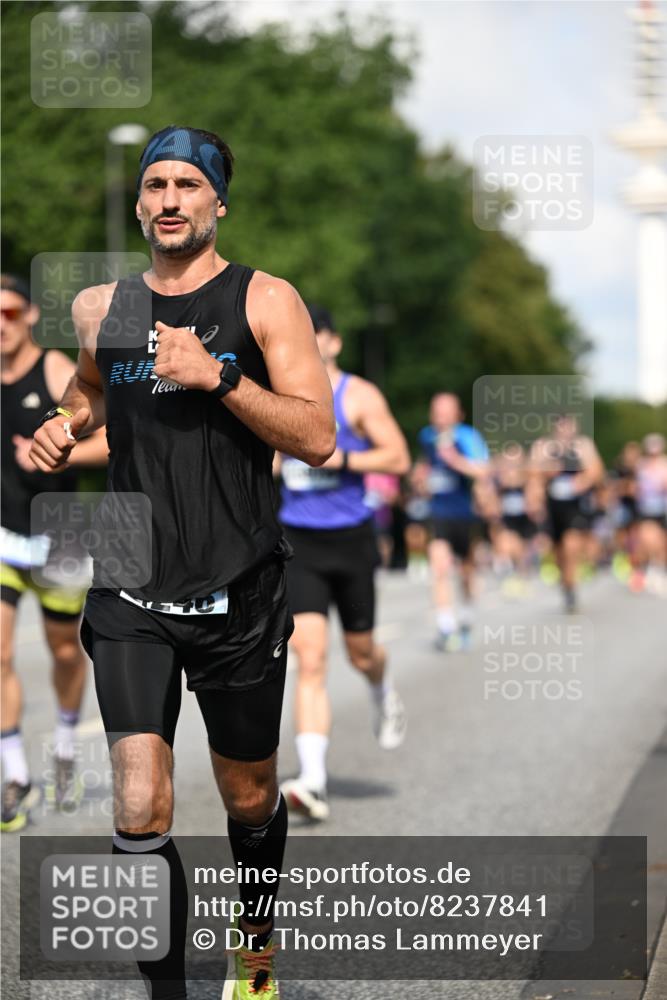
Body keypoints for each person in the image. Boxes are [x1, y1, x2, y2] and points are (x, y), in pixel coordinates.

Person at [30, 126, 335, 1000]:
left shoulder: (265, 299)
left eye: (187, 185)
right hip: (130, 580)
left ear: (218, 203)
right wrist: (68, 423)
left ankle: (255, 945)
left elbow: (317, 437)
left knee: (247, 797)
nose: (169, 199)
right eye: (155, 184)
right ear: (138, 202)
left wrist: (221, 379)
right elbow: (89, 386)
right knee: (137, 802)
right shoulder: (103, 307)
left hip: (239, 581)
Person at [277, 305, 409, 822]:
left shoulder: (357, 395)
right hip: (299, 542)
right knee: (308, 656)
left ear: (332, 342)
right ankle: (312, 780)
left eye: (314, 336)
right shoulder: (280, 393)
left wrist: (345, 459)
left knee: (359, 652)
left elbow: (398, 457)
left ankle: (380, 683)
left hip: (350, 541)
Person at [1, 273, 108, 831]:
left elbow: (114, 436)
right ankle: (15, 774)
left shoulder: (55, 371)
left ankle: (65, 747)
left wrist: (61, 450)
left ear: (31, 317)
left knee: (66, 652)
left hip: (59, 536)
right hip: (3, 538)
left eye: (11, 313)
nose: (1, 324)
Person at [413, 392, 490, 650]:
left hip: (465, 513)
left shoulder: (467, 437)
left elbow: (482, 470)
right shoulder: (427, 436)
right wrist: (421, 476)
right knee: (440, 567)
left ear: (458, 414)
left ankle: (466, 617)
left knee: (467, 572)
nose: (440, 416)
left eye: (446, 411)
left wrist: (455, 460)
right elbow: (426, 465)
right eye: (436, 410)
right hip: (438, 512)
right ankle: (446, 627)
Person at [529, 414, 604, 613]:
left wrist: (581, 481)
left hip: (574, 505)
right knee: (558, 550)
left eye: (568, 426)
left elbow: (597, 470)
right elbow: (532, 473)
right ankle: (566, 583)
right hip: (552, 507)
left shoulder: (583, 445)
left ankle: (572, 586)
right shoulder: (543, 446)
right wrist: (546, 471)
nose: (565, 430)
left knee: (571, 545)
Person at [631, 433, 667, 594]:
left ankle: (657, 570)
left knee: (661, 543)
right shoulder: (641, 465)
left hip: (662, 509)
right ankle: (647, 569)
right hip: (646, 509)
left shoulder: (665, 464)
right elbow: (634, 486)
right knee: (647, 540)